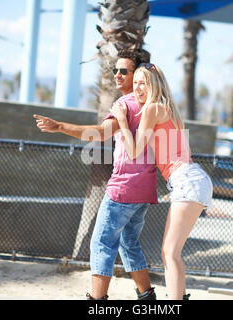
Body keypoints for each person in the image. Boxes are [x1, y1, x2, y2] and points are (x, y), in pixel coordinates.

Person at [33, 49, 157, 300]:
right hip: (145, 190)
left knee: (101, 243)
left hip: (123, 189)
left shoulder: (125, 104)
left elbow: (100, 133)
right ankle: (147, 298)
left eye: (125, 71)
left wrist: (59, 127)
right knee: (128, 243)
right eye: (116, 70)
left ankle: (97, 301)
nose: (118, 75)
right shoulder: (153, 105)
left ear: (138, 74)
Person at [110, 62, 213, 300]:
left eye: (142, 83)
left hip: (186, 180)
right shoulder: (169, 109)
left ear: (154, 84)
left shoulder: (153, 109)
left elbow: (134, 150)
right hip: (192, 179)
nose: (137, 88)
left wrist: (122, 120)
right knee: (171, 253)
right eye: (134, 83)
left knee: (170, 252)